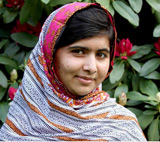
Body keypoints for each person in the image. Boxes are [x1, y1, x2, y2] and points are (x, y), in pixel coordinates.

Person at [0, 2, 147, 141]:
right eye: (79, 51)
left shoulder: (122, 129)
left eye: (101, 55)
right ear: (49, 55)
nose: (91, 67)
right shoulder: (20, 122)